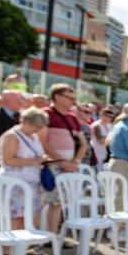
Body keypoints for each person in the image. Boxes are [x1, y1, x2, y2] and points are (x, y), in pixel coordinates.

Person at [40, 84, 88, 232]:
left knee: (57, 204)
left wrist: (75, 162)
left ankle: (51, 238)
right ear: (57, 97)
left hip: (67, 168)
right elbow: (42, 141)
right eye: (70, 98)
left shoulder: (72, 118)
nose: (73, 101)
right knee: (41, 204)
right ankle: (36, 241)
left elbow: (83, 144)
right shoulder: (45, 114)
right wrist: (61, 161)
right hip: (50, 167)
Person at [0, 107, 49, 230]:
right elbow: (7, 160)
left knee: (28, 218)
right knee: (15, 218)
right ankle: (8, 248)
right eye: (37, 126)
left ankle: (20, 248)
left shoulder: (33, 136)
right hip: (15, 182)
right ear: (26, 122)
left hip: (32, 182)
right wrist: (35, 161)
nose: (39, 130)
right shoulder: (12, 136)